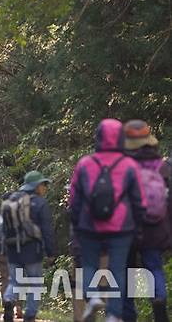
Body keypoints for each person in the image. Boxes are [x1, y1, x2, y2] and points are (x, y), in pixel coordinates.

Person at [68, 118, 146, 322]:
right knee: (117, 271)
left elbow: (74, 199)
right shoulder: (129, 165)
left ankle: (93, 297)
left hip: (89, 225)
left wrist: (77, 224)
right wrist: (138, 227)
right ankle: (113, 314)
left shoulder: (85, 163)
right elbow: (139, 201)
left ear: (98, 137)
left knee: (89, 265)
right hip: (121, 227)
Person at [121, 120, 170, 322]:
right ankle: (158, 299)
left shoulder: (122, 166)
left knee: (126, 271)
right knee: (154, 267)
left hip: (128, 228)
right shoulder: (164, 166)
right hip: (156, 227)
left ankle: (128, 315)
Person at [1, 172, 55, 322]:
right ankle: (30, 314)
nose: (45, 188)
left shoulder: (11, 200)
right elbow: (47, 230)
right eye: (43, 185)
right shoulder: (40, 203)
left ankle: (9, 299)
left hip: (12, 248)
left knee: (14, 281)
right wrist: (50, 252)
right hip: (32, 249)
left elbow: (3, 227)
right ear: (36, 186)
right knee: (35, 282)